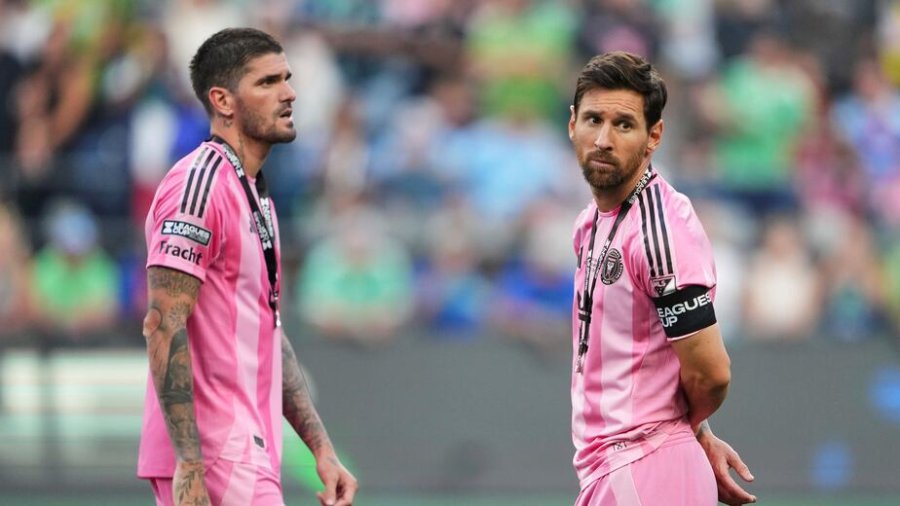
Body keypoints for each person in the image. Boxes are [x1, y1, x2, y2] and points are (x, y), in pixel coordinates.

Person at [137, 28, 357, 506]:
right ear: (223, 101)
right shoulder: (199, 187)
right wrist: (190, 464)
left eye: (287, 78)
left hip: (246, 451)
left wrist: (321, 448)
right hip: (216, 453)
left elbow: (267, 334)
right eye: (267, 82)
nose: (289, 93)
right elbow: (163, 323)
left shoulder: (257, 197)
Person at [566, 51, 756, 505]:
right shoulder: (590, 223)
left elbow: (711, 373)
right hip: (619, 467)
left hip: (644, 464)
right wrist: (698, 432)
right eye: (593, 120)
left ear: (654, 136)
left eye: (624, 125)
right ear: (572, 123)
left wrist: (679, 432)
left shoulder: (660, 232)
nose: (603, 140)